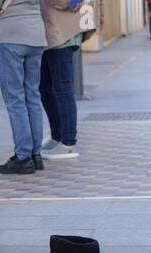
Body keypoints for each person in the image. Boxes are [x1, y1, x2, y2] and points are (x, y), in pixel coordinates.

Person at [0, 0, 47, 175]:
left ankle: (23, 157)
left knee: (15, 98)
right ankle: (35, 154)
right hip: (36, 34)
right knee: (32, 96)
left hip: (11, 35)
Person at [39, 0, 95, 160]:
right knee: (45, 88)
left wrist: (72, 2)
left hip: (61, 33)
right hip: (51, 34)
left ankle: (68, 142)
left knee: (62, 89)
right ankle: (58, 136)